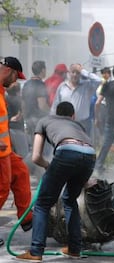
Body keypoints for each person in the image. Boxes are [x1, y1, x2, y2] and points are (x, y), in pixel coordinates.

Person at [16, 101, 96, 262]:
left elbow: (36, 157)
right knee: (70, 199)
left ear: (55, 113)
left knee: (43, 203)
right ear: (72, 116)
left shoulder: (44, 121)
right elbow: (82, 151)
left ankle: (36, 251)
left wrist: (48, 166)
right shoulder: (78, 125)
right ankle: (74, 249)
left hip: (66, 152)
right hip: (90, 155)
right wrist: (85, 180)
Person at [0, 57, 33, 247]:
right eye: (15, 77)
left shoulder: (1, 91)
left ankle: (27, 218)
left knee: (21, 171)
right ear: (8, 70)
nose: (15, 82)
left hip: (5, 149)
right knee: (2, 189)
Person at [51, 63, 102, 138]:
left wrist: (83, 71)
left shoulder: (87, 86)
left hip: (83, 124)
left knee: (83, 147)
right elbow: (55, 105)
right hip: (66, 123)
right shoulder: (62, 87)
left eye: (77, 73)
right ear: (69, 73)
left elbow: (98, 80)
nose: (75, 75)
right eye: (73, 72)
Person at [22, 60, 50, 145]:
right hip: (38, 119)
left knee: (31, 144)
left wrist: (24, 117)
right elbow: (42, 105)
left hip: (28, 118)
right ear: (42, 70)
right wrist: (50, 113)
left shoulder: (26, 84)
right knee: (40, 145)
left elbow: (23, 103)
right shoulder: (40, 85)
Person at [6, 82, 30, 158]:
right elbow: (21, 114)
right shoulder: (17, 100)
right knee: (24, 154)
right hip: (17, 130)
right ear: (18, 92)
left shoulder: (5, 98)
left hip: (8, 130)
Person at [94, 67, 112, 147]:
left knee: (106, 127)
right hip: (100, 107)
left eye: (106, 73)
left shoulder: (110, 84)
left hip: (107, 106)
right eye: (103, 73)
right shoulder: (100, 83)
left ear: (109, 74)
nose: (104, 75)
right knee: (100, 126)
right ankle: (101, 145)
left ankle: (106, 146)